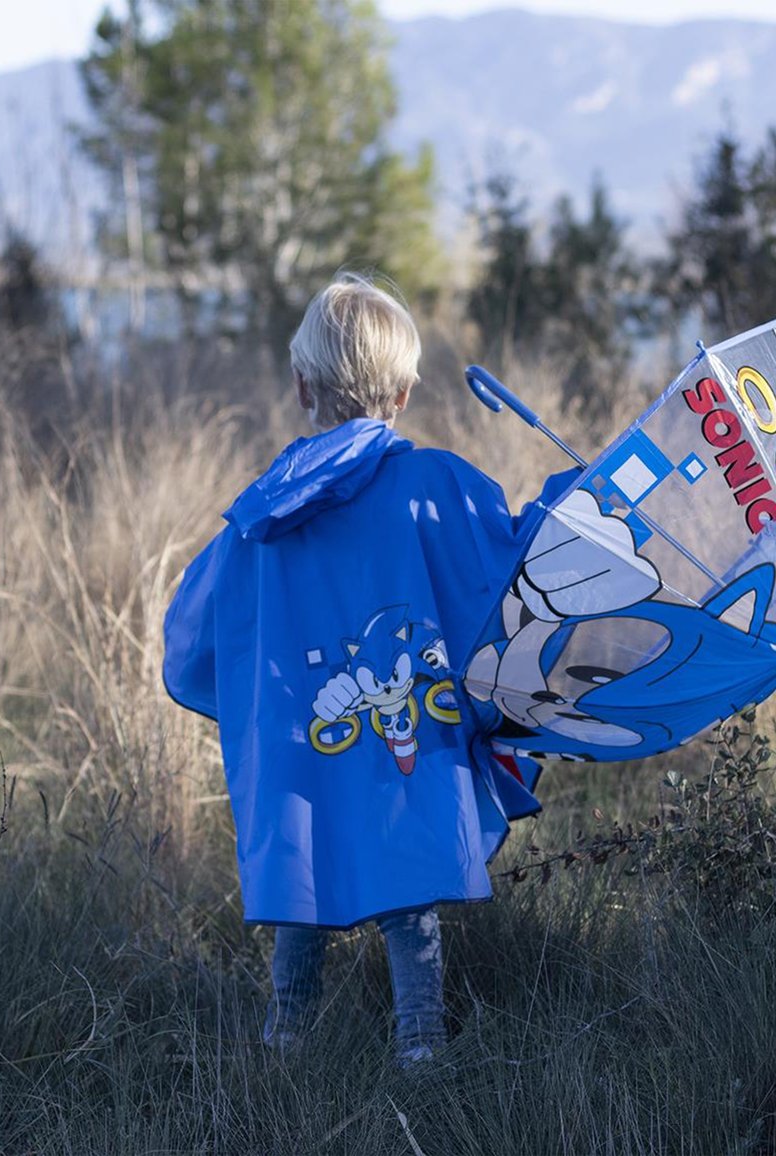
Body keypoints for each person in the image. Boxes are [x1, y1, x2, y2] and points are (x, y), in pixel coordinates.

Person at [162, 272, 573, 1066]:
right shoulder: (429, 485)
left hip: (301, 742)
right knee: (409, 863)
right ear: (406, 392)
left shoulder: (257, 515)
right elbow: (507, 561)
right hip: (402, 733)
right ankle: (419, 1041)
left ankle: (287, 1037)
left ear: (300, 384)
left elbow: (195, 629)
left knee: (302, 866)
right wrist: (574, 501)